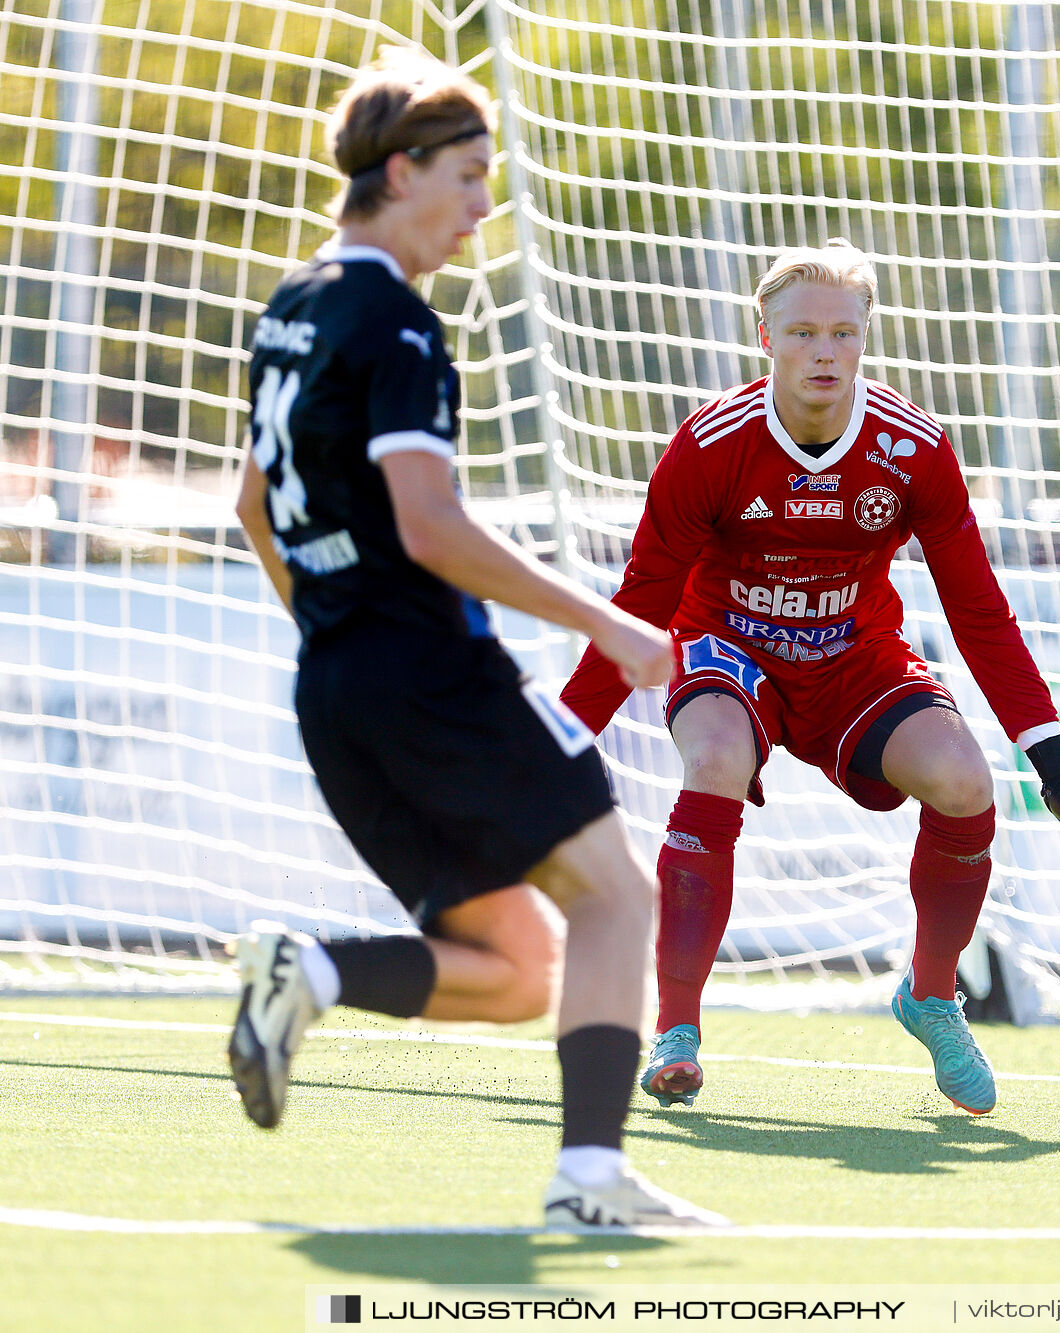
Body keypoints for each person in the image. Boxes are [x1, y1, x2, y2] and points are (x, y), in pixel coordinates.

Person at [229, 46, 724, 1230]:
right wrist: (608, 623)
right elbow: (433, 525)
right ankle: (590, 1181)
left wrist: (342, 640)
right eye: (465, 175)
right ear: (398, 173)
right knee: (613, 898)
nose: (480, 207)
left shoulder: (290, 308)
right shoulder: (394, 324)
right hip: (430, 673)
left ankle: (319, 969)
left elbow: (253, 507)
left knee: (516, 970)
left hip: (336, 684)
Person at [560, 240, 1060, 1117]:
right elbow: (641, 600)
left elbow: (979, 611)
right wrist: (558, 736)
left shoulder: (914, 448)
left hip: (853, 657)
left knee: (963, 781)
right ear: (765, 339)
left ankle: (931, 995)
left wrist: (1052, 761)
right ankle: (676, 1029)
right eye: (802, 334)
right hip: (730, 646)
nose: (823, 352)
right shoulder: (709, 446)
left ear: (865, 336)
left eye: (841, 333)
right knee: (711, 756)